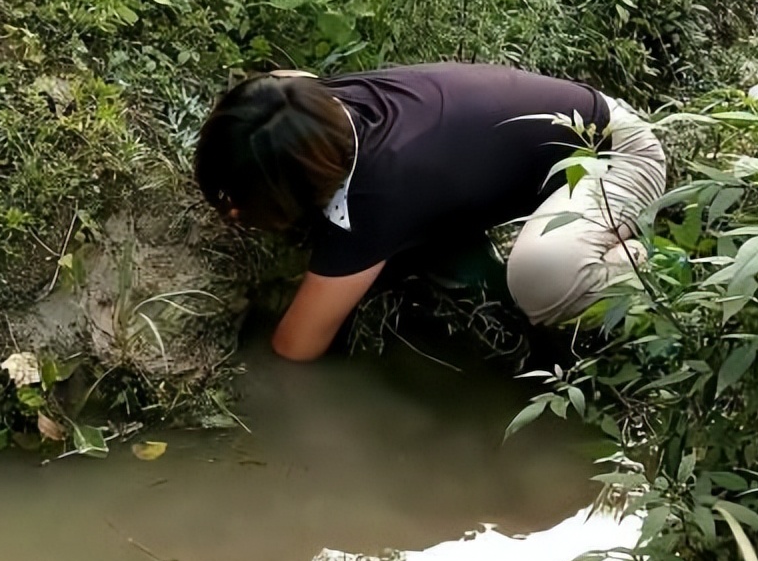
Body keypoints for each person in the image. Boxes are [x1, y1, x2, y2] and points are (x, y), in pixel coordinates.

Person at [194, 62, 666, 362]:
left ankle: (643, 270)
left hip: (614, 157)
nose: (232, 214)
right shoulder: (306, 104)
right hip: (560, 129)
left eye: (239, 205)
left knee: (540, 279)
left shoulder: (377, 193)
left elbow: (295, 347)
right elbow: (280, 79)